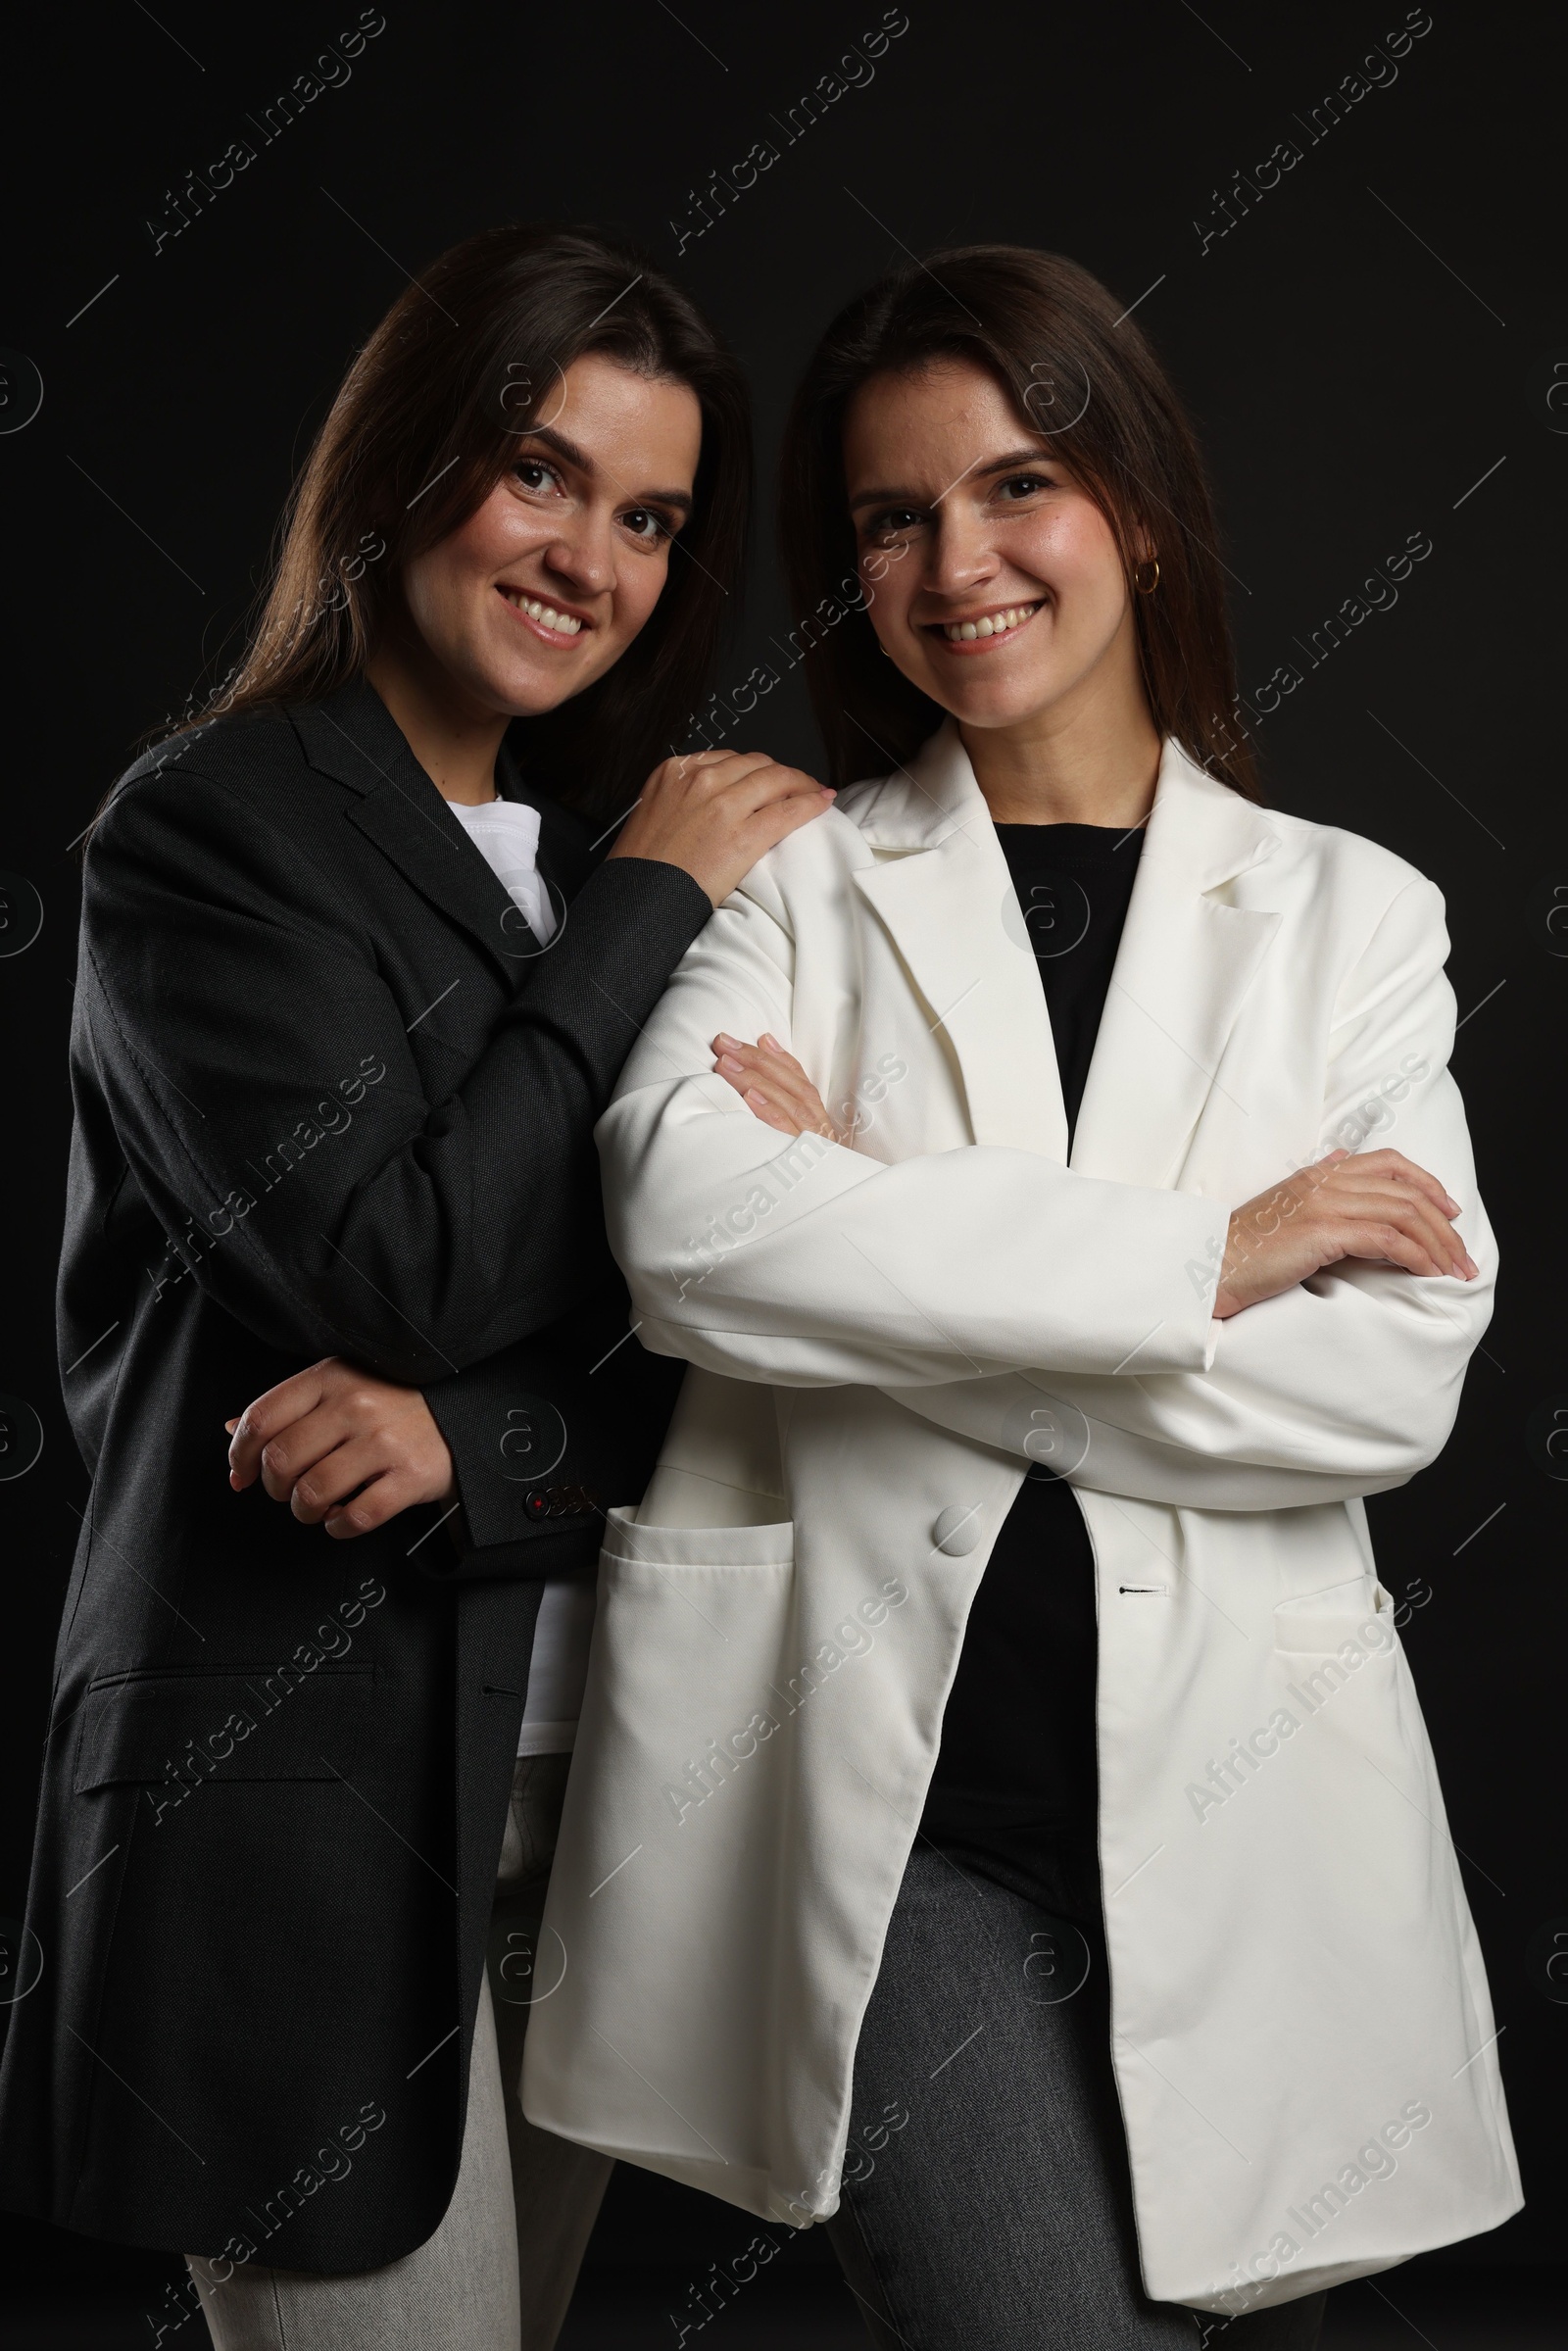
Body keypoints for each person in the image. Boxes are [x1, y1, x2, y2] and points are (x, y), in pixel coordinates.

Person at [519, 246, 1522, 2348]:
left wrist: (881, 1241)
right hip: (881, 1837)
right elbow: (686, 1227)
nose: (954, 561)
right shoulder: (788, 873)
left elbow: (1384, 1383)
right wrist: (1208, 1263)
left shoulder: (1343, 915)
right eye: (890, 519)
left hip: (1242, 1832)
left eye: (1012, 489)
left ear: (1132, 510)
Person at [0, 224, 831, 2351]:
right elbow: (398, 1254)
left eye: (649, 517)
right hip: (293, 1814)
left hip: (589, 1799)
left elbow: (746, 1354)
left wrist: (474, 1436)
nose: (590, 559)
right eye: (537, 473)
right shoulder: (211, 835)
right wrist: (647, 900)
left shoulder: (578, 864)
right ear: (401, 467)